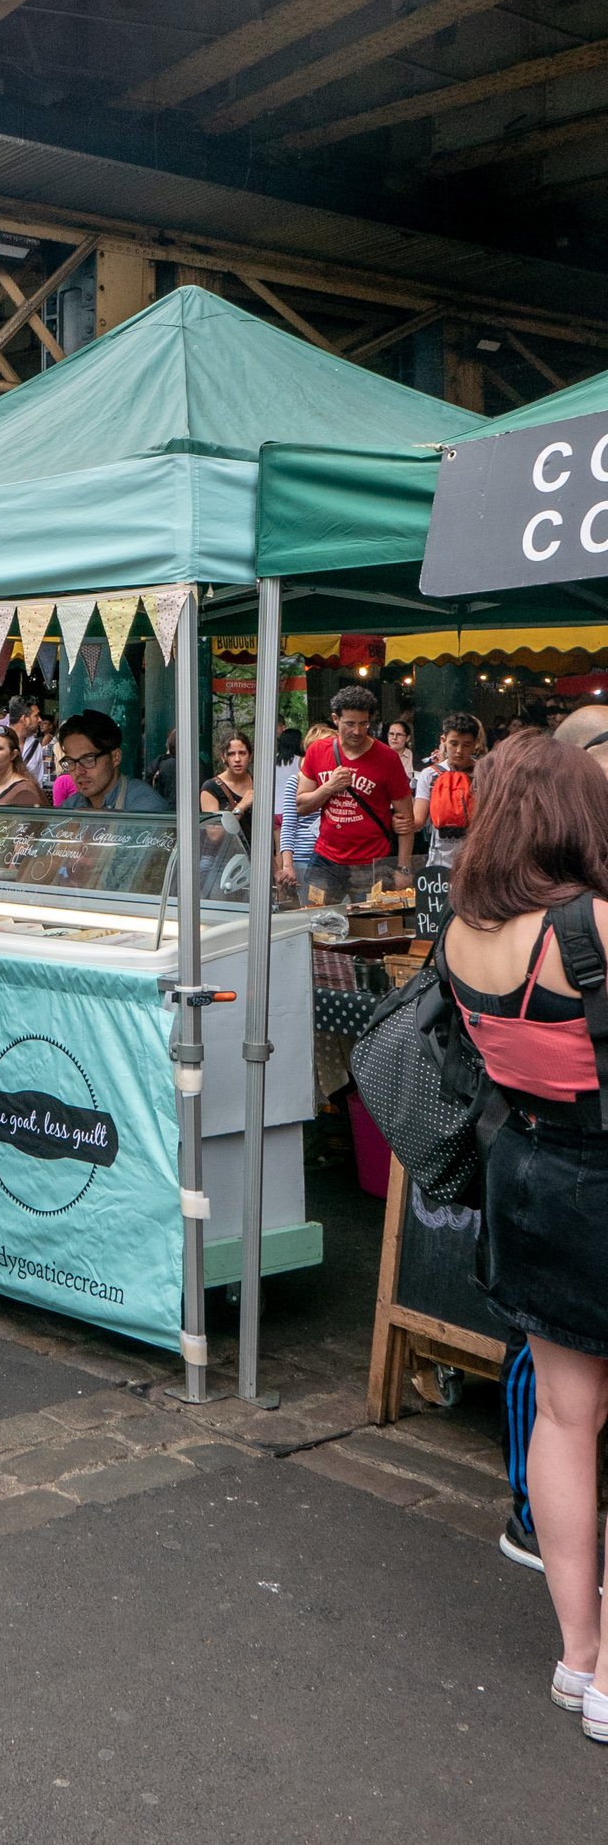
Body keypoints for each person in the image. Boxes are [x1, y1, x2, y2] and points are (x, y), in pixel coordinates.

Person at [439, 738, 608, 1734]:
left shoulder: (466, 928)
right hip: (598, 1173)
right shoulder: (592, 924)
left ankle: (578, 1654)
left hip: (526, 1177)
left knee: (564, 1415)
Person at [295, 686, 415, 904]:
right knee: (316, 924)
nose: (358, 731)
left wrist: (403, 868)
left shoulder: (387, 759)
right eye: (350, 724)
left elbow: (406, 818)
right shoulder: (317, 751)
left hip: (371, 864)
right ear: (335, 719)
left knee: (373, 928)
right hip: (326, 859)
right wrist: (329, 787)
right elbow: (301, 805)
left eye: (364, 724)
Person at [56, 711, 169, 814]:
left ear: (115, 757)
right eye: (70, 761)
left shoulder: (145, 807)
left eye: (88, 759)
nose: (79, 771)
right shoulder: (71, 807)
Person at [413, 711, 484, 871]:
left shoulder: (485, 773)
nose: (459, 750)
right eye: (454, 743)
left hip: (477, 863)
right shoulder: (429, 774)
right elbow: (418, 821)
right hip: (439, 864)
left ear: (474, 744)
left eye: (466, 745)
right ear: (443, 741)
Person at [278, 720, 331, 897]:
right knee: (312, 912)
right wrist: (287, 865)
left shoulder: (339, 779)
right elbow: (288, 826)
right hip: (304, 857)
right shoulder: (297, 781)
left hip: (334, 858)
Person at [200, 730, 255, 850]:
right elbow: (213, 835)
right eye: (231, 754)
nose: (237, 759)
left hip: (255, 856)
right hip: (220, 859)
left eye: (242, 753)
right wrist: (241, 806)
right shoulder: (211, 787)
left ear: (250, 756)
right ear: (223, 757)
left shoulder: (260, 784)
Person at [7, 695, 53, 792]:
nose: (40, 720)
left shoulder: (36, 746)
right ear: (24, 719)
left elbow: (38, 784)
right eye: (36, 716)